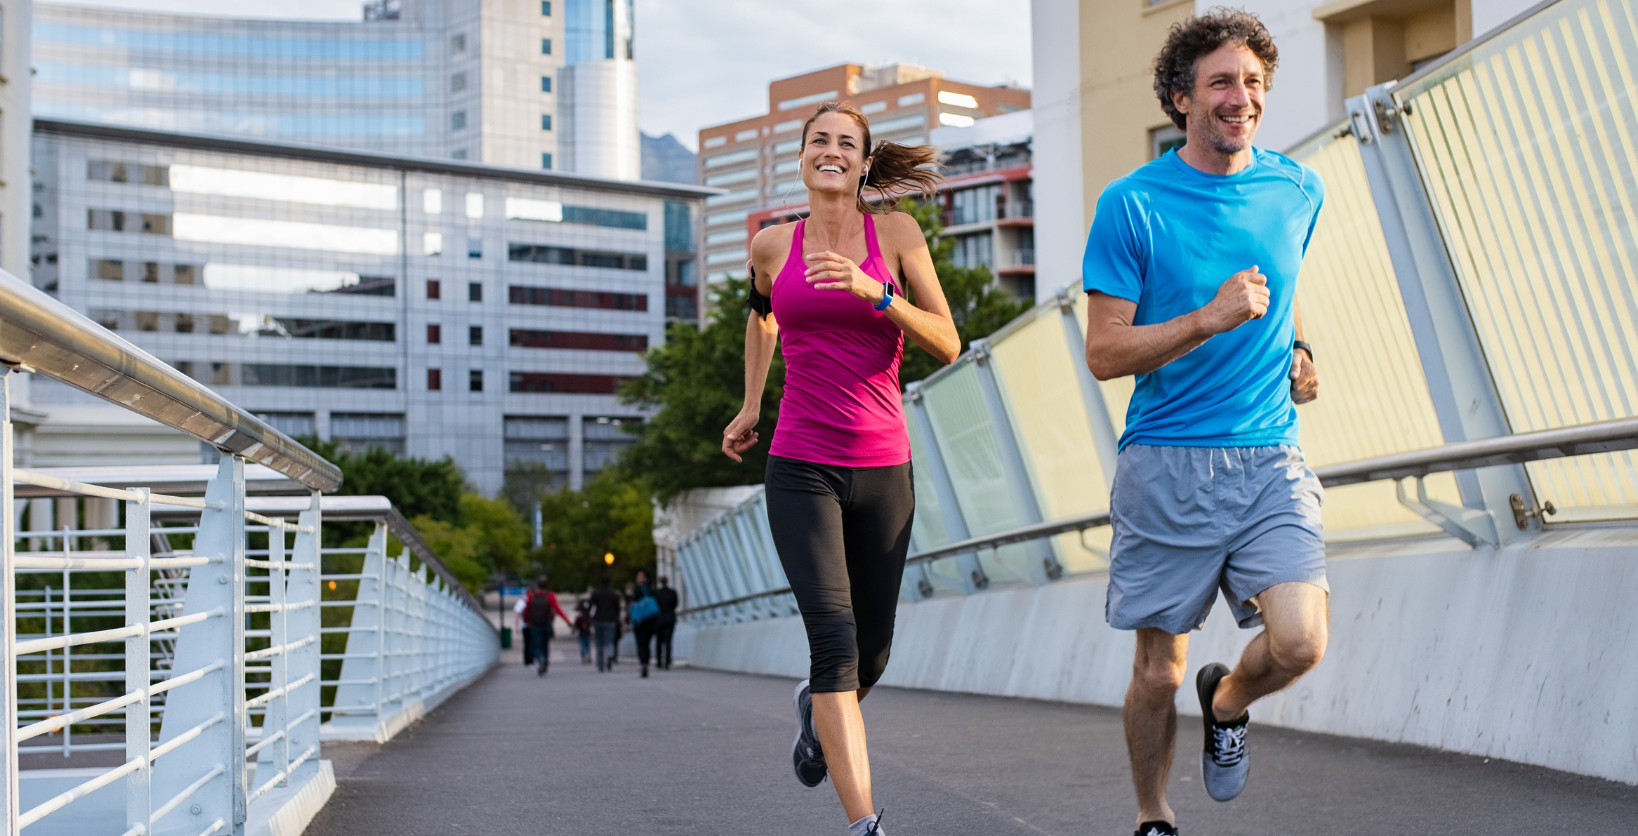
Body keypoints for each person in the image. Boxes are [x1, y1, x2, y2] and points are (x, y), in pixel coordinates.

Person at [1080, 11, 1328, 836]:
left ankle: (1228, 702)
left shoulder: (1298, 188)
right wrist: (1208, 319)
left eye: (1254, 82)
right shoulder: (1132, 204)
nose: (1241, 97)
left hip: (1269, 456)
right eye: (1222, 81)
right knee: (1156, 671)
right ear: (1182, 96)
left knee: (1299, 644)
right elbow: (1106, 354)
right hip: (1166, 461)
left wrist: (1297, 352)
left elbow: (1280, 300)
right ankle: (1154, 816)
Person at [721, 101, 958, 836]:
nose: (831, 151)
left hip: (885, 466)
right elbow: (761, 316)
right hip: (801, 465)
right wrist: (752, 404)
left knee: (871, 654)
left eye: (845, 144)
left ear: (862, 164)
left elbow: (947, 340)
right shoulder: (769, 246)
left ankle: (814, 713)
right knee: (833, 641)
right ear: (800, 159)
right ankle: (865, 825)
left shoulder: (894, 233)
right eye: (818, 140)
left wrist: (876, 293)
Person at [523, 576, 571, 677]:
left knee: (536, 645)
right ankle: (544, 663)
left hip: (535, 625)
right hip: (546, 624)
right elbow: (558, 610)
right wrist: (567, 621)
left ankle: (540, 658)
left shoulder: (531, 596)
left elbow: (527, 610)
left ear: (537, 584)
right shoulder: (550, 596)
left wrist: (527, 621)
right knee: (545, 645)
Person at [628, 569, 660, 678]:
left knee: (641, 644)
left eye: (640, 576)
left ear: (645, 578)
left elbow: (633, 603)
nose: (638, 577)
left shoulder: (637, 590)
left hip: (640, 621)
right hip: (651, 620)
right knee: (647, 644)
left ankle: (643, 664)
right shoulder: (652, 590)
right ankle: (646, 662)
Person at [587, 574, 622, 672]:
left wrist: (590, 618)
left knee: (599, 643)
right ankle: (610, 655)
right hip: (610, 620)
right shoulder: (613, 594)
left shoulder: (596, 593)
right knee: (609, 641)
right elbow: (617, 608)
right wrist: (616, 617)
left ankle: (600, 664)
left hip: (598, 619)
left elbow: (590, 607)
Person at [653, 575, 680, 670]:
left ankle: (659, 661)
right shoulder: (672, 592)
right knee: (668, 641)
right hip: (669, 618)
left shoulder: (657, 593)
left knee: (659, 641)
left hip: (659, 619)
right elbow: (675, 604)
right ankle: (668, 661)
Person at [573, 600, 594, 664]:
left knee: (583, 644)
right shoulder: (589, 616)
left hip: (581, 631)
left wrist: (575, 629)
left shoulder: (580, 616)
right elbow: (591, 623)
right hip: (587, 632)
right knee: (587, 644)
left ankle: (584, 655)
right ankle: (588, 654)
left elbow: (576, 624)